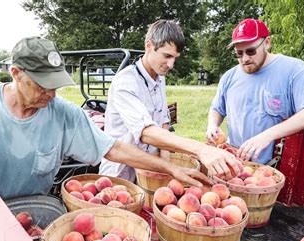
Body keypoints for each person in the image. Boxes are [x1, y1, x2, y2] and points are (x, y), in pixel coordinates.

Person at [0, 36, 210, 200]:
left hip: (36, 212)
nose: (50, 94)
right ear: (16, 73)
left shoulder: (64, 114)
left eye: (55, 85)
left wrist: (170, 168)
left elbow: (115, 148)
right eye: (41, 85)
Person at [99, 19, 242, 182]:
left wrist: (167, 166)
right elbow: (146, 133)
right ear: (149, 46)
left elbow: (163, 123)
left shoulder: (159, 77)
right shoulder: (126, 83)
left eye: (175, 57)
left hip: (150, 170)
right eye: (167, 56)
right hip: (120, 175)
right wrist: (200, 150)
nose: (171, 64)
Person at [206, 18, 304, 164]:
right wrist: (212, 125)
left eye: (251, 51)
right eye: (239, 53)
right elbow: (217, 109)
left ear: (267, 42)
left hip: (275, 168)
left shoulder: (293, 69)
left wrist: (267, 136)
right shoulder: (229, 77)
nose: (244, 59)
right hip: (235, 163)